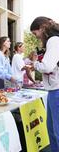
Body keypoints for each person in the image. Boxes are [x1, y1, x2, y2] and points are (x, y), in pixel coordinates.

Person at [30, 16, 59, 152]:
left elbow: (47, 67)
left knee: (56, 131)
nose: (36, 37)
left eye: (35, 34)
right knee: (52, 130)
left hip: (57, 91)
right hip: (54, 90)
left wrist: (35, 63)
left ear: (42, 28)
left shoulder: (53, 40)